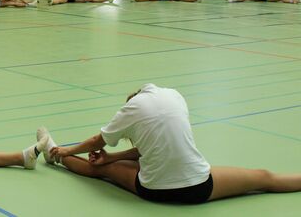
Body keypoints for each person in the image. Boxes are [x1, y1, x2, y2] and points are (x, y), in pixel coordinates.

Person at [40, 83, 301, 204]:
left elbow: (97, 141)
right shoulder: (174, 96)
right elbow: (157, 144)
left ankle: (56, 154)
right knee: (264, 177)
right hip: (200, 187)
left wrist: (71, 149)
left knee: (100, 170)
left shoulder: (130, 110)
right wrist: (114, 156)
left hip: (155, 191)